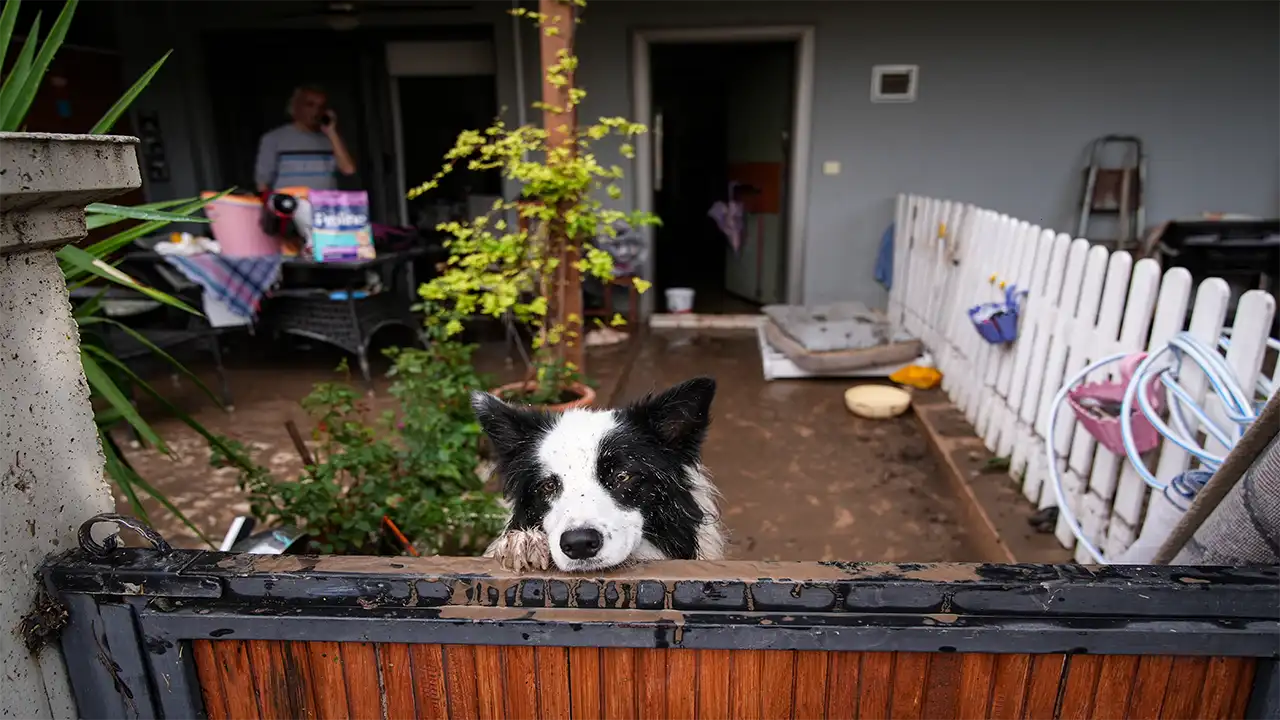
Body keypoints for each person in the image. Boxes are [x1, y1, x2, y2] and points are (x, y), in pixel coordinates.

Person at [254, 84, 356, 193]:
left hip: (324, 202)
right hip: (290, 202)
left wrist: (332, 132)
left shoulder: (331, 138)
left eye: (321, 107)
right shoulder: (274, 138)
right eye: (310, 105)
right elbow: (262, 183)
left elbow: (348, 169)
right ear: (295, 107)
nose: (316, 111)